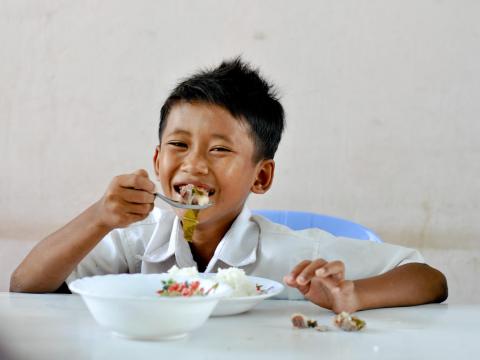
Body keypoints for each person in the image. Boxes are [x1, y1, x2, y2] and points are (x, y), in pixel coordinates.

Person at [10, 58, 447, 313]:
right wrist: (97, 217)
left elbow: (429, 279)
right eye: (179, 144)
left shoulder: (292, 256)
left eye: (220, 151)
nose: (194, 164)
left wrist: (351, 295)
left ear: (261, 176)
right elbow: (24, 287)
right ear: (158, 160)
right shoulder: (134, 244)